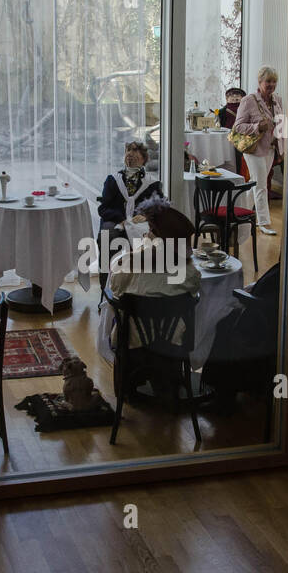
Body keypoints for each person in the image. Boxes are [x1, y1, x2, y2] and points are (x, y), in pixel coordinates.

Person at [202, 191, 288, 407]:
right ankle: (248, 387)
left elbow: (282, 295)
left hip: (285, 324)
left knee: (224, 322)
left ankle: (224, 396)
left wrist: (250, 296)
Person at [106, 196, 200, 400]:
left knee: (118, 315)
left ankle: (127, 390)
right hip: (174, 343)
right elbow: (193, 289)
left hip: (134, 341)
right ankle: (169, 382)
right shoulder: (188, 272)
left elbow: (115, 286)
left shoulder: (132, 264)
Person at [97, 140, 163, 291]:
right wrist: (122, 219)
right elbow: (103, 208)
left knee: (152, 238)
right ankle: (107, 290)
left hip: (141, 223)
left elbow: (159, 207)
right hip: (116, 221)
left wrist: (146, 216)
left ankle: (143, 289)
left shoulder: (152, 183)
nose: (130, 155)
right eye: (127, 152)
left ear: (143, 158)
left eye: (134, 152)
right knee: (108, 236)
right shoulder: (113, 180)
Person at [231, 67, 285, 234]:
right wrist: (257, 126)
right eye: (268, 81)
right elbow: (237, 126)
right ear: (260, 82)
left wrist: (282, 149)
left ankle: (239, 215)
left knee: (255, 182)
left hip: (270, 149)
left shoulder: (277, 100)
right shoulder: (249, 100)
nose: (271, 84)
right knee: (261, 185)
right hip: (253, 149)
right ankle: (263, 223)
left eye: (274, 81)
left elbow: (282, 124)